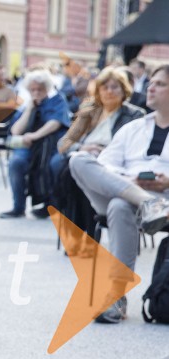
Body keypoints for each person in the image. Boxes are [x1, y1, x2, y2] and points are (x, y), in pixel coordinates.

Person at [70, 64, 169, 324]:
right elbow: (106, 163)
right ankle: (147, 202)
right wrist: (131, 181)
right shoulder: (134, 128)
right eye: (151, 82)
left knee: (118, 206)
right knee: (79, 159)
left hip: (165, 197)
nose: (150, 87)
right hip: (132, 191)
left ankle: (116, 298)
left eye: (159, 84)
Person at [51, 67, 144, 251]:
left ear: (123, 90)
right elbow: (64, 142)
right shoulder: (90, 109)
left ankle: (86, 236)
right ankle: (80, 235)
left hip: (112, 164)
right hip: (82, 157)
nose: (109, 91)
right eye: (105, 87)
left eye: (115, 87)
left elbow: (134, 150)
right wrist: (82, 147)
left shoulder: (134, 114)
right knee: (70, 172)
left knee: (82, 176)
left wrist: (104, 152)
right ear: (98, 90)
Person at [0, 69, 70, 219]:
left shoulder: (58, 100)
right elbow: (16, 130)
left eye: (40, 89)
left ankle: (52, 204)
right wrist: (30, 108)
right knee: (16, 162)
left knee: (55, 164)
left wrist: (34, 135)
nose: (36, 92)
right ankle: (18, 207)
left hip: (52, 146)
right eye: (33, 89)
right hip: (29, 147)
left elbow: (55, 123)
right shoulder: (27, 105)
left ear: (47, 88)